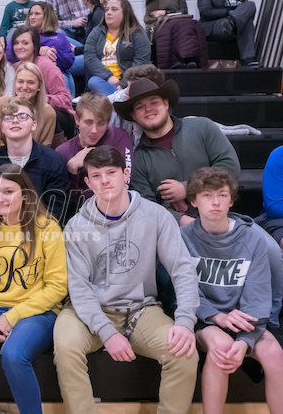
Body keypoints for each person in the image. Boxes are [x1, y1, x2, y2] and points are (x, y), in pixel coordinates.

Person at [54, 145, 200, 414]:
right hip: (90, 312)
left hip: (141, 309)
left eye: (111, 172)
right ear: (88, 182)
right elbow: (79, 288)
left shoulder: (156, 215)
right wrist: (107, 333)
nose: (105, 181)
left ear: (126, 174)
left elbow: (182, 269)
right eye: (96, 175)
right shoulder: (76, 226)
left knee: (184, 353)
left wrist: (185, 321)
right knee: (65, 345)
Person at [0, 163, 68, 414]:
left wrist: (13, 316)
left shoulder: (46, 226)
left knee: (13, 355)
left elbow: (57, 286)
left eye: (8, 191)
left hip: (37, 313)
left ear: (25, 195)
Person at [180, 167, 283, 414]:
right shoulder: (182, 237)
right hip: (204, 318)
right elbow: (182, 292)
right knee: (222, 347)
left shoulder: (253, 239)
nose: (215, 202)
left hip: (245, 319)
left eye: (222, 195)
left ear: (231, 201)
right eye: (207, 195)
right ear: (194, 201)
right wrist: (217, 317)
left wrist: (246, 341)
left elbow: (258, 297)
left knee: (274, 353)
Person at [113, 77, 240, 226]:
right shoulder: (139, 158)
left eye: (154, 102)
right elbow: (146, 207)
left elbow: (230, 167)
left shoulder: (202, 127)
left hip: (222, 218)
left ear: (166, 104)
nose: (148, 109)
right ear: (134, 116)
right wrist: (183, 221)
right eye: (140, 107)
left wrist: (188, 188)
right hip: (173, 230)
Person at [0, 96, 70, 223]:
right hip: (0, 228)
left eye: (22, 116)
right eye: (9, 117)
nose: (15, 121)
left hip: (40, 230)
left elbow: (55, 211)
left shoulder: (53, 161)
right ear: (2, 127)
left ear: (34, 125)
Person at [55, 92, 133, 215]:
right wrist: (71, 170)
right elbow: (65, 201)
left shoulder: (118, 137)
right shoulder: (63, 152)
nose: (94, 130)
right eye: (88, 122)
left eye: (101, 123)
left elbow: (124, 183)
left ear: (108, 122)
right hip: (82, 216)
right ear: (77, 119)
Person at [84, 0, 151, 94]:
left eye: (114, 9)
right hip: (104, 80)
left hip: (129, 81)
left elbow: (141, 61)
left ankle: (118, 97)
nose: (108, 12)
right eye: (106, 9)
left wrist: (123, 83)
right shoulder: (97, 32)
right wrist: (108, 76)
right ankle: (119, 97)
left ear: (125, 13)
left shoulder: (137, 33)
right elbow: (90, 57)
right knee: (93, 81)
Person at [0, 61, 58, 151]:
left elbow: (44, 148)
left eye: (30, 82)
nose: (24, 87)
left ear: (39, 86)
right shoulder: (0, 105)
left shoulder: (49, 113)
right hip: (3, 158)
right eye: (20, 82)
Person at [10, 26, 74, 113]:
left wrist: (40, 99)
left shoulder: (47, 66)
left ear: (34, 45)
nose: (19, 47)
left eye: (25, 43)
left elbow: (65, 100)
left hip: (51, 116)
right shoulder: (15, 67)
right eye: (16, 43)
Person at [198, 0, 259, 68]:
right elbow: (206, 12)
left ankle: (232, 23)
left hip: (233, 26)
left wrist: (238, 7)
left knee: (250, 5)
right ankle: (248, 59)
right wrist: (229, 12)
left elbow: (244, 12)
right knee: (242, 21)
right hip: (216, 25)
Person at [8, 1, 75, 75]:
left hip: (56, 69)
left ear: (47, 17)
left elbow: (69, 61)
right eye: (31, 14)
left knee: (65, 75)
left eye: (37, 14)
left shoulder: (60, 37)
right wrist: (37, 52)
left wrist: (52, 53)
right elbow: (9, 55)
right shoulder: (21, 35)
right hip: (28, 71)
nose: (32, 17)